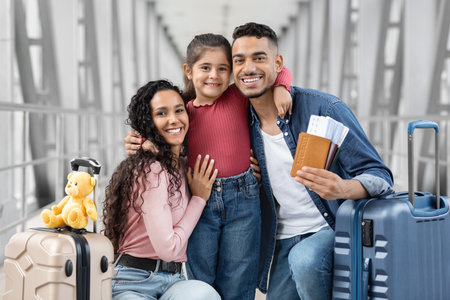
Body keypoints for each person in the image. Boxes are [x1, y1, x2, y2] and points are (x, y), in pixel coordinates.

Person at [229, 22, 394, 300]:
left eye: (259, 58)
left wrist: (343, 188)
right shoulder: (238, 121)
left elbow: (380, 176)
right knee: (298, 262)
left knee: (305, 260)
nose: (248, 68)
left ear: (278, 63)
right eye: (239, 60)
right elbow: (191, 107)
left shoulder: (324, 109)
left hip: (331, 227)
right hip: (280, 239)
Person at [124, 33, 292, 300]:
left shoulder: (237, 97)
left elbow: (276, 71)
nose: (214, 75)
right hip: (199, 200)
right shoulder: (183, 114)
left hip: (244, 199)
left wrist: (282, 86)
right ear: (188, 71)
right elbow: (156, 135)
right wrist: (138, 142)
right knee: (201, 277)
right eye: (205, 68)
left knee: (240, 273)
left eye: (223, 69)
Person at [103, 79, 221, 300]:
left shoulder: (184, 165)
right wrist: (199, 199)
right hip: (131, 282)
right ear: (149, 123)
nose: (173, 119)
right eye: (161, 114)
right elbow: (168, 249)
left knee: (206, 296)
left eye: (179, 110)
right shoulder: (151, 168)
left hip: (173, 280)